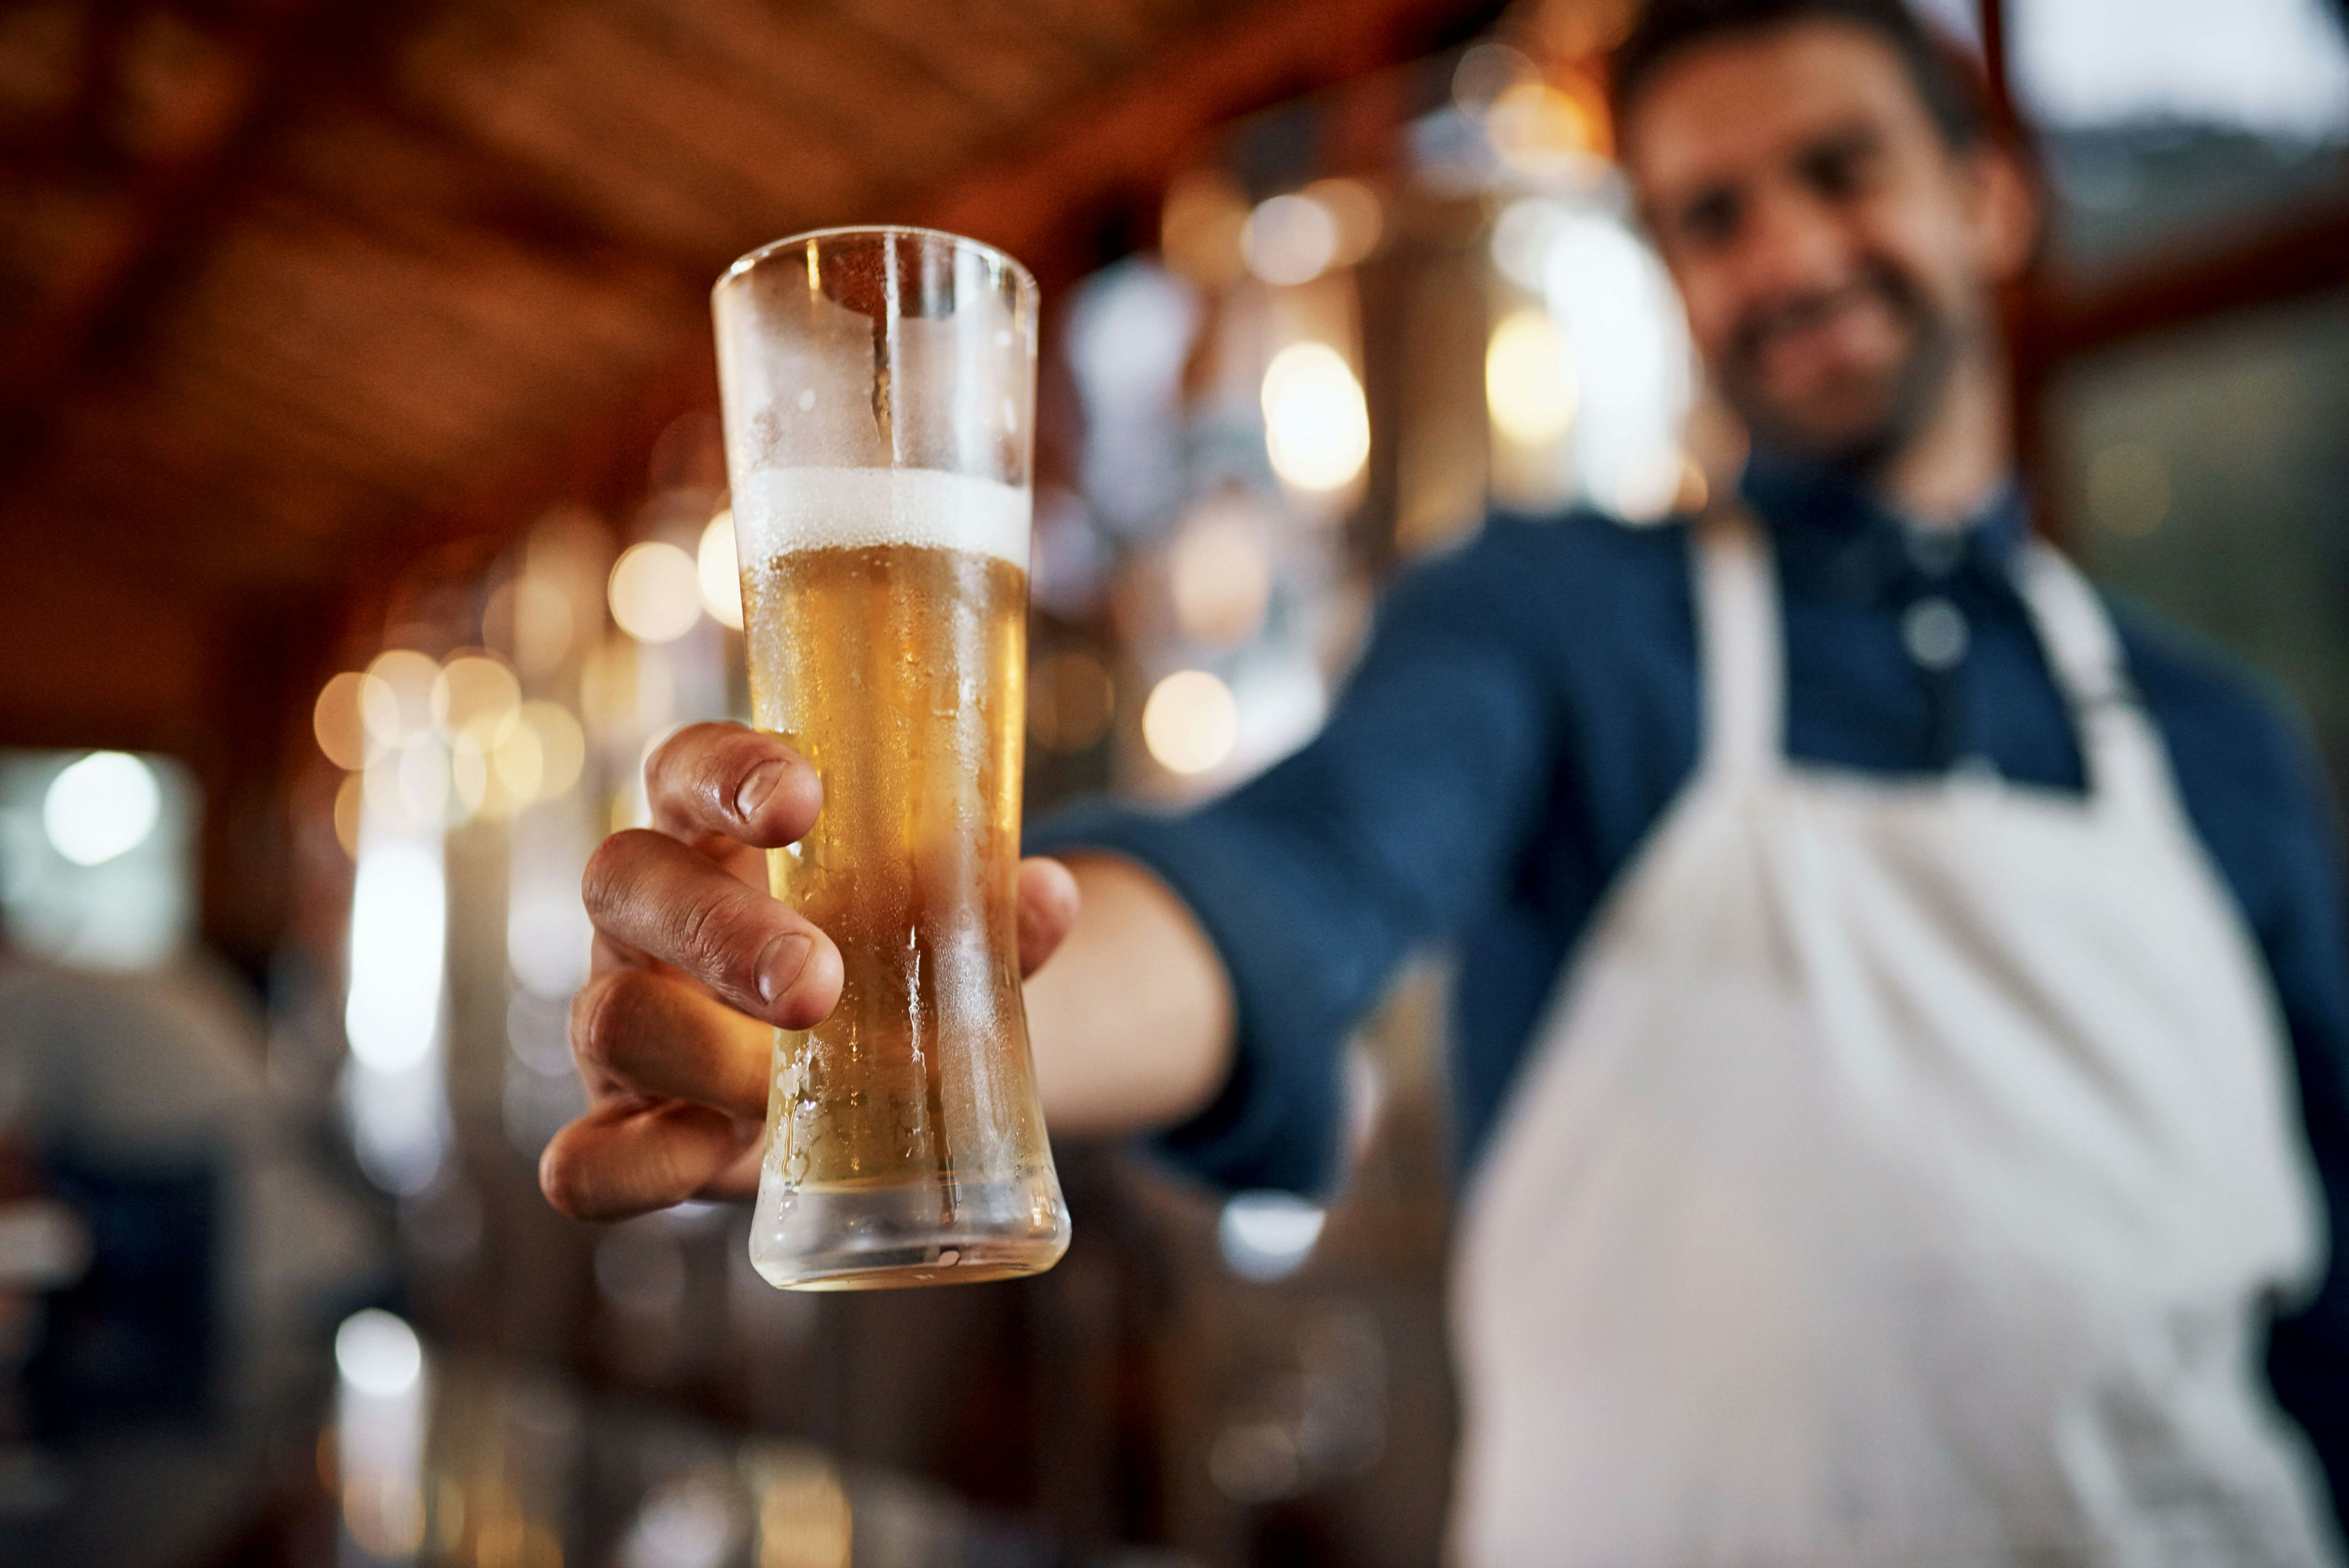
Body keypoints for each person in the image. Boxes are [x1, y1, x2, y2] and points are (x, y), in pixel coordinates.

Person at [539, 0, 2349, 1559]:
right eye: (1712, 215)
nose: (1785, 254)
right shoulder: (1564, 617)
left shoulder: (2218, 739)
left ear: (1992, 197)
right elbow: (1287, 887)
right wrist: (899, 1044)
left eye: (1842, 171)